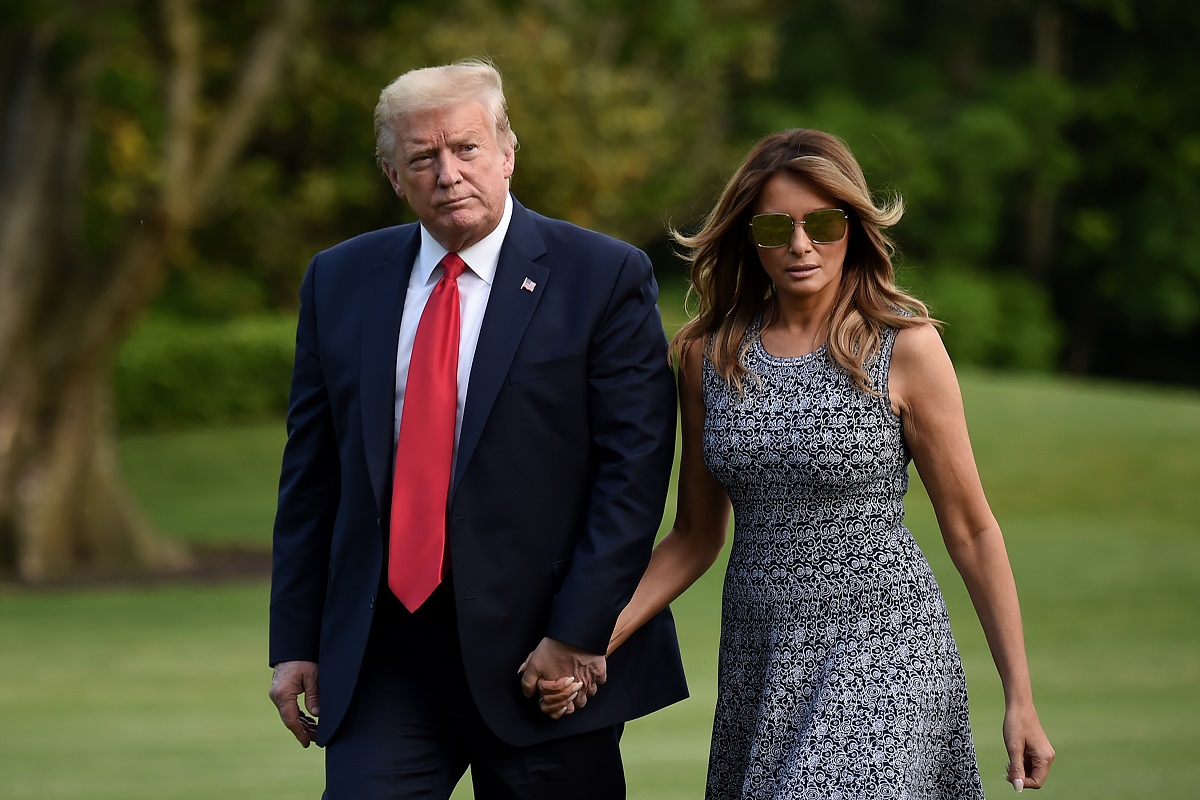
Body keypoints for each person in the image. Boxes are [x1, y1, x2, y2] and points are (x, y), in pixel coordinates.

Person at [537, 128, 1056, 797]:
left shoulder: (906, 347)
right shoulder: (707, 356)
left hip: (889, 646)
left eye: (825, 223)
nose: (801, 245)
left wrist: (1019, 697)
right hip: (764, 658)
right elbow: (695, 536)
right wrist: (588, 644)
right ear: (749, 236)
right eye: (777, 226)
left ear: (856, 228)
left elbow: (971, 528)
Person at [266, 58, 688, 800]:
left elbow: (635, 471)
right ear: (394, 176)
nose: (447, 173)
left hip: (543, 661)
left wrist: (579, 635)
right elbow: (312, 475)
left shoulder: (604, 275)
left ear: (506, 153)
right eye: (421, 157)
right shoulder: (339, 278)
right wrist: (296, 641)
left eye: (465, 149)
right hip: (383, 657)